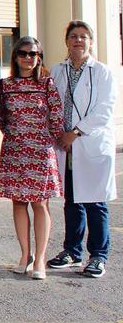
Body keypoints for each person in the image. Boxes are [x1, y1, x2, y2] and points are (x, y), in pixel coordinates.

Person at [47, 21, 117, 278]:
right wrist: (60, 134)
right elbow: (52, 104)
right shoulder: (57, 70)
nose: (78, 40)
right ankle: (72, 251)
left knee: (95, 202)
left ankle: (98, 256)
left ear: (91, 42)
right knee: (72, 201)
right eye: (74, 36)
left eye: (84, 37)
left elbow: (104, 110)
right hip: (65, 147)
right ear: (66, 41)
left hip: (89, 144)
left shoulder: (102, 72)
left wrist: (74, 133)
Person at [0, 37, 62, 280]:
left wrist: (41, 140)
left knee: (40, 203)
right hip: (15, 150)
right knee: (19, 202)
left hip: (41, 151)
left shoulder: (46, 84)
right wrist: (18, 136)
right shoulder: (5, 85)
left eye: (33, 54)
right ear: (15, 57)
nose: (28, 58)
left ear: (39, 57)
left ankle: (40, 258)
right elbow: (0, 117)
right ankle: (25, 255)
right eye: (23, 53)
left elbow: (56, 117)